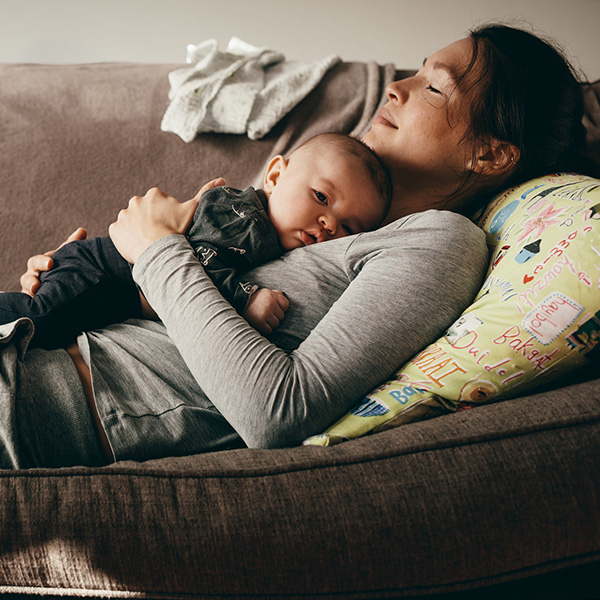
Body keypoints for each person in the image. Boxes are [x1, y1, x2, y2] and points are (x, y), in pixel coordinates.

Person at [4, 24, 589, 469]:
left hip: (52, 404)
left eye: (434, 86)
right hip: (36, 346)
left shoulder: (438, 244)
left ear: (489, 154)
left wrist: (156, 252)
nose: (396, 87)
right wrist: (80, 277)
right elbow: (181, 279)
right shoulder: (310, 197)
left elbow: (274, 412)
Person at [0, 133, 391, 348]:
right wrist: (246, 298)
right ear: (274, 176)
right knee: (38, 320)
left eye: (349, 228)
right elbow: (199, 257)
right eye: (321, 198)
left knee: (45, 337)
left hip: (117, 294)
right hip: (104, 272)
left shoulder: (272, 236)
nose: (328, 224)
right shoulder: (246, 218)